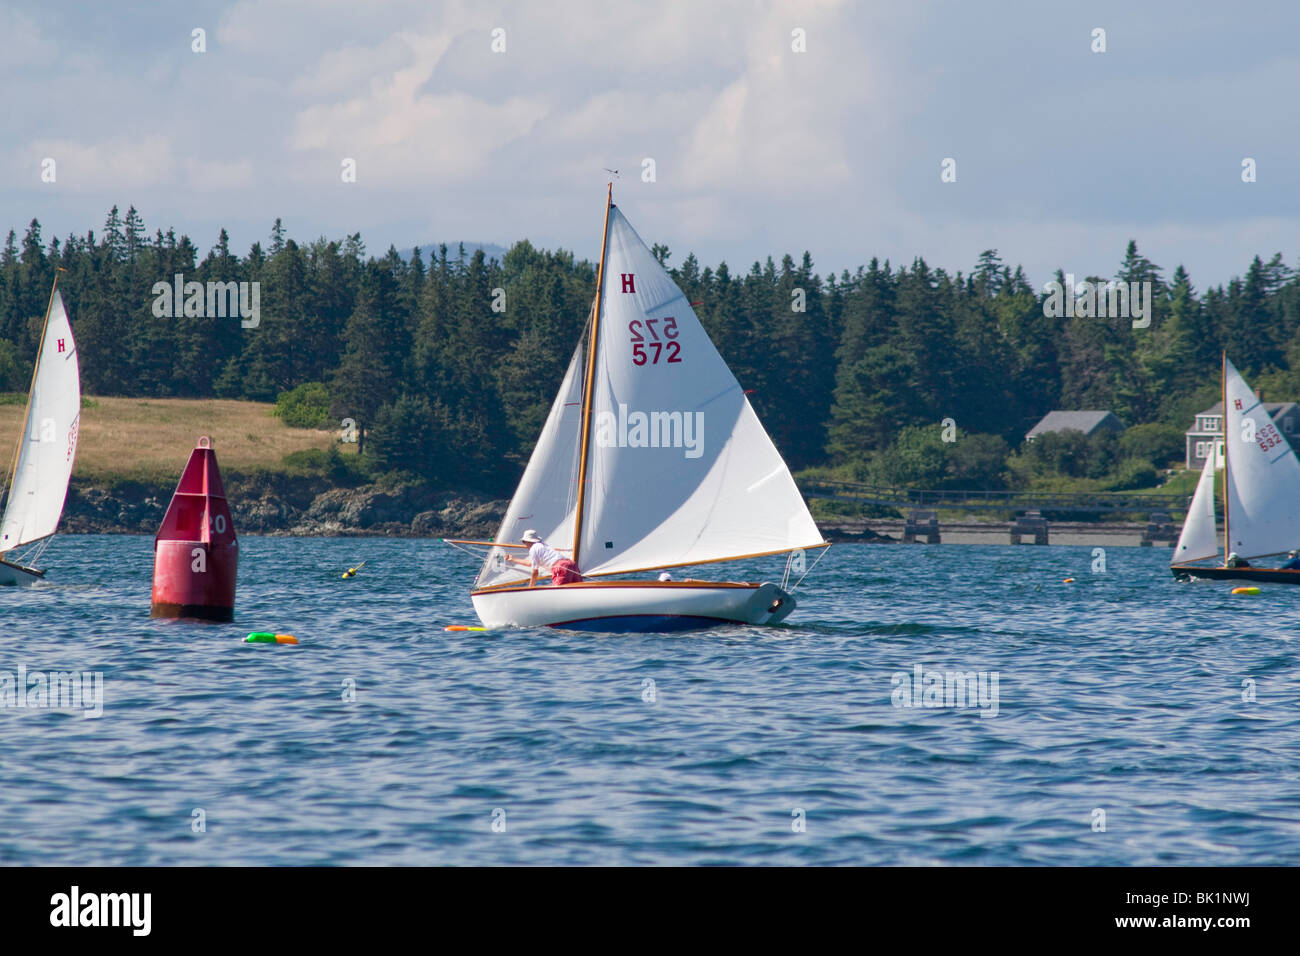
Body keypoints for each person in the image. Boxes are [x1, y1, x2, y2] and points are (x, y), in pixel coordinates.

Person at [506, 529, 583, 586]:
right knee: (578, 588)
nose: (524, 544)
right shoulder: (543, 545)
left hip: (560, 567)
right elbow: (531, 564)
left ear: (528, 541)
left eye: (524, 542)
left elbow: (535, 572)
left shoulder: (533, 549)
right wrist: (513, 559)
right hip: (571, 564)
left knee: (557, 592)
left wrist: (530, 587)